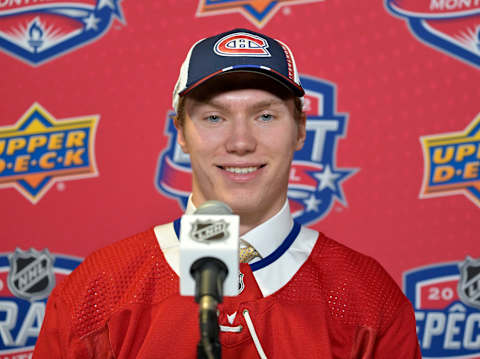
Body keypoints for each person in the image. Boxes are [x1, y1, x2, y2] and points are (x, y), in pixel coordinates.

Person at [33, 28, 421, 358]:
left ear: (300, 129)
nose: (240, 142)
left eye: (265, 115)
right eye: (214, 117)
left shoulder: (367, 296)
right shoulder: (99, 289)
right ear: (181, 132)